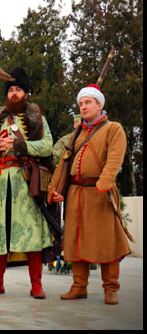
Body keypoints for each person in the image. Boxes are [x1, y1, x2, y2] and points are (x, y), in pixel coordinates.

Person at [0, 67, 54, 299]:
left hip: (26, 184)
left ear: (26, 93)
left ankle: (36, 285)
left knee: (31, 235)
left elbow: (47, 146)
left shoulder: (36, 118)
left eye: (18, 89)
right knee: (0, 235)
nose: (14, 94)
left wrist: (20, 145)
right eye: (11, 90)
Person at [49, 84, 130, 305]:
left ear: (99, 105)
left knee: (107, 241)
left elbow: (115, 157)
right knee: (76, 241)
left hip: (100, 193)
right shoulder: (76, 133)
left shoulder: (113, 129)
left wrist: (105, 182)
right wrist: (54, 189)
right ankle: (79, 286)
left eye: (88, 103)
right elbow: (63, 163)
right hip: (76, 193)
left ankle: (110, 289)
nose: (83, 107)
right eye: (81, 103)